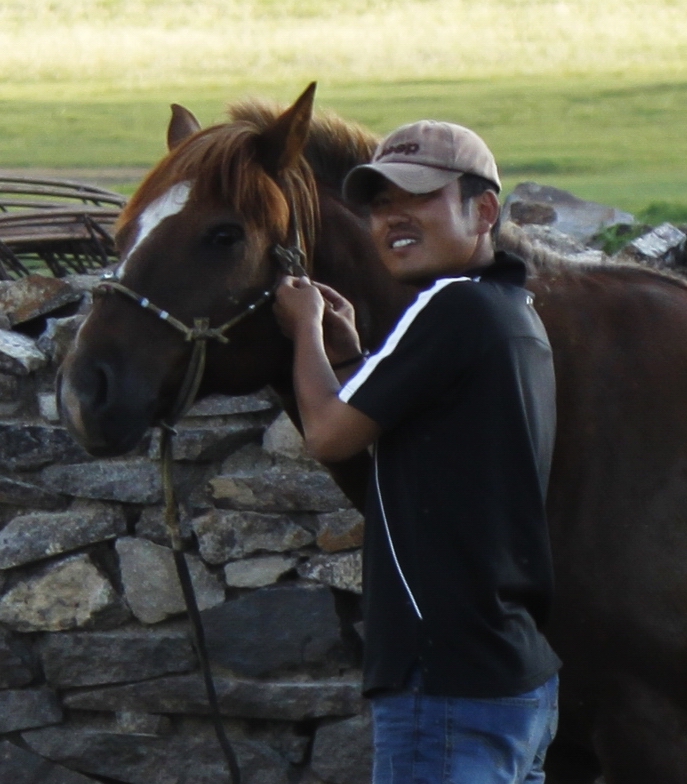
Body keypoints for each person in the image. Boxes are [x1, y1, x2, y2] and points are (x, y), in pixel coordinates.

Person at [274, 119, 561, 783]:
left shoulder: (450, 308)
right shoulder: (508, 309)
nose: (391, 218)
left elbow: (328, 433)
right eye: (378, 203)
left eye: (418, 197)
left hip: (445, 684)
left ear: (483, 210)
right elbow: (413, 435)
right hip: (510, 676)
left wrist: (306, 330)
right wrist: (346, 350)